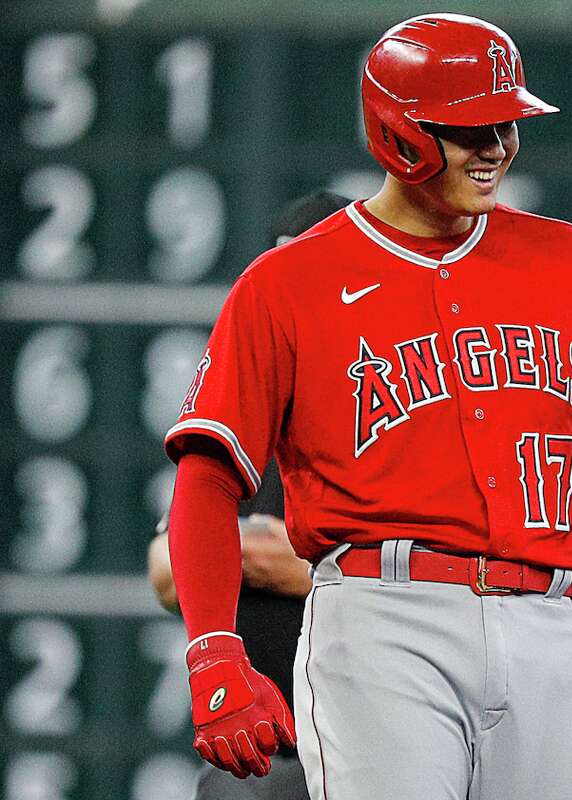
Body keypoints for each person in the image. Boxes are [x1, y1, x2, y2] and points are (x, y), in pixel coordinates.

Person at [162, 13, 572, 800]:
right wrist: (214, 650)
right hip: (385, 622)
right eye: (470, 127)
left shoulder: (566, 261)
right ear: (397, 130)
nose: (496, 146)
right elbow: (208, 476)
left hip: (544, 626)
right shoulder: (288, 283)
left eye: (507, 123)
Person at [147, 190, 351, 800]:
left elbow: (434, 579)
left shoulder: (396, 401)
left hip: (373, 745)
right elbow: (166, 571)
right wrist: (314, 562)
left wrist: (286, 562)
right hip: (261, 756)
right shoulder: (248, 413)